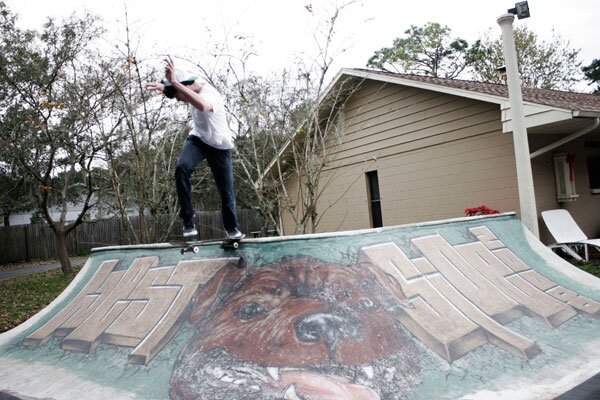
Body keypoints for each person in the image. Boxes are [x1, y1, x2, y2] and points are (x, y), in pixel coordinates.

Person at [146, 56, 244, 240]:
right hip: (198, 140)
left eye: (180, 95)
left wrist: (174, 82)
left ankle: (232, 229)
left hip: (220, 147)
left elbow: (202, 105)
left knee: (226, 191)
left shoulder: (210, 95)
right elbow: (181, 91)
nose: (180, 100)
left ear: (186, 86)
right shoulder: (190, 85)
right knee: (181, 168)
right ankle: (188, 221)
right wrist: (166, 88)